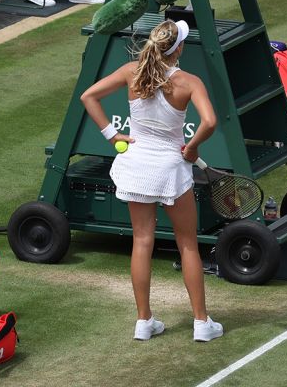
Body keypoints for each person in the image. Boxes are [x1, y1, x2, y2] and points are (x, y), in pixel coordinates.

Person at [79, 18, 224, 343]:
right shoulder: (189, 82)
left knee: (142, 241)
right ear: (179, 48)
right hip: (170, 168)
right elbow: (210, 121)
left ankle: (144, 321)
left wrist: (112, 136)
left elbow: (88, 97)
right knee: (187, 243)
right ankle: (202, 324)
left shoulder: (133, 71)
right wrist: (192, 146)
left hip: (138, 164)